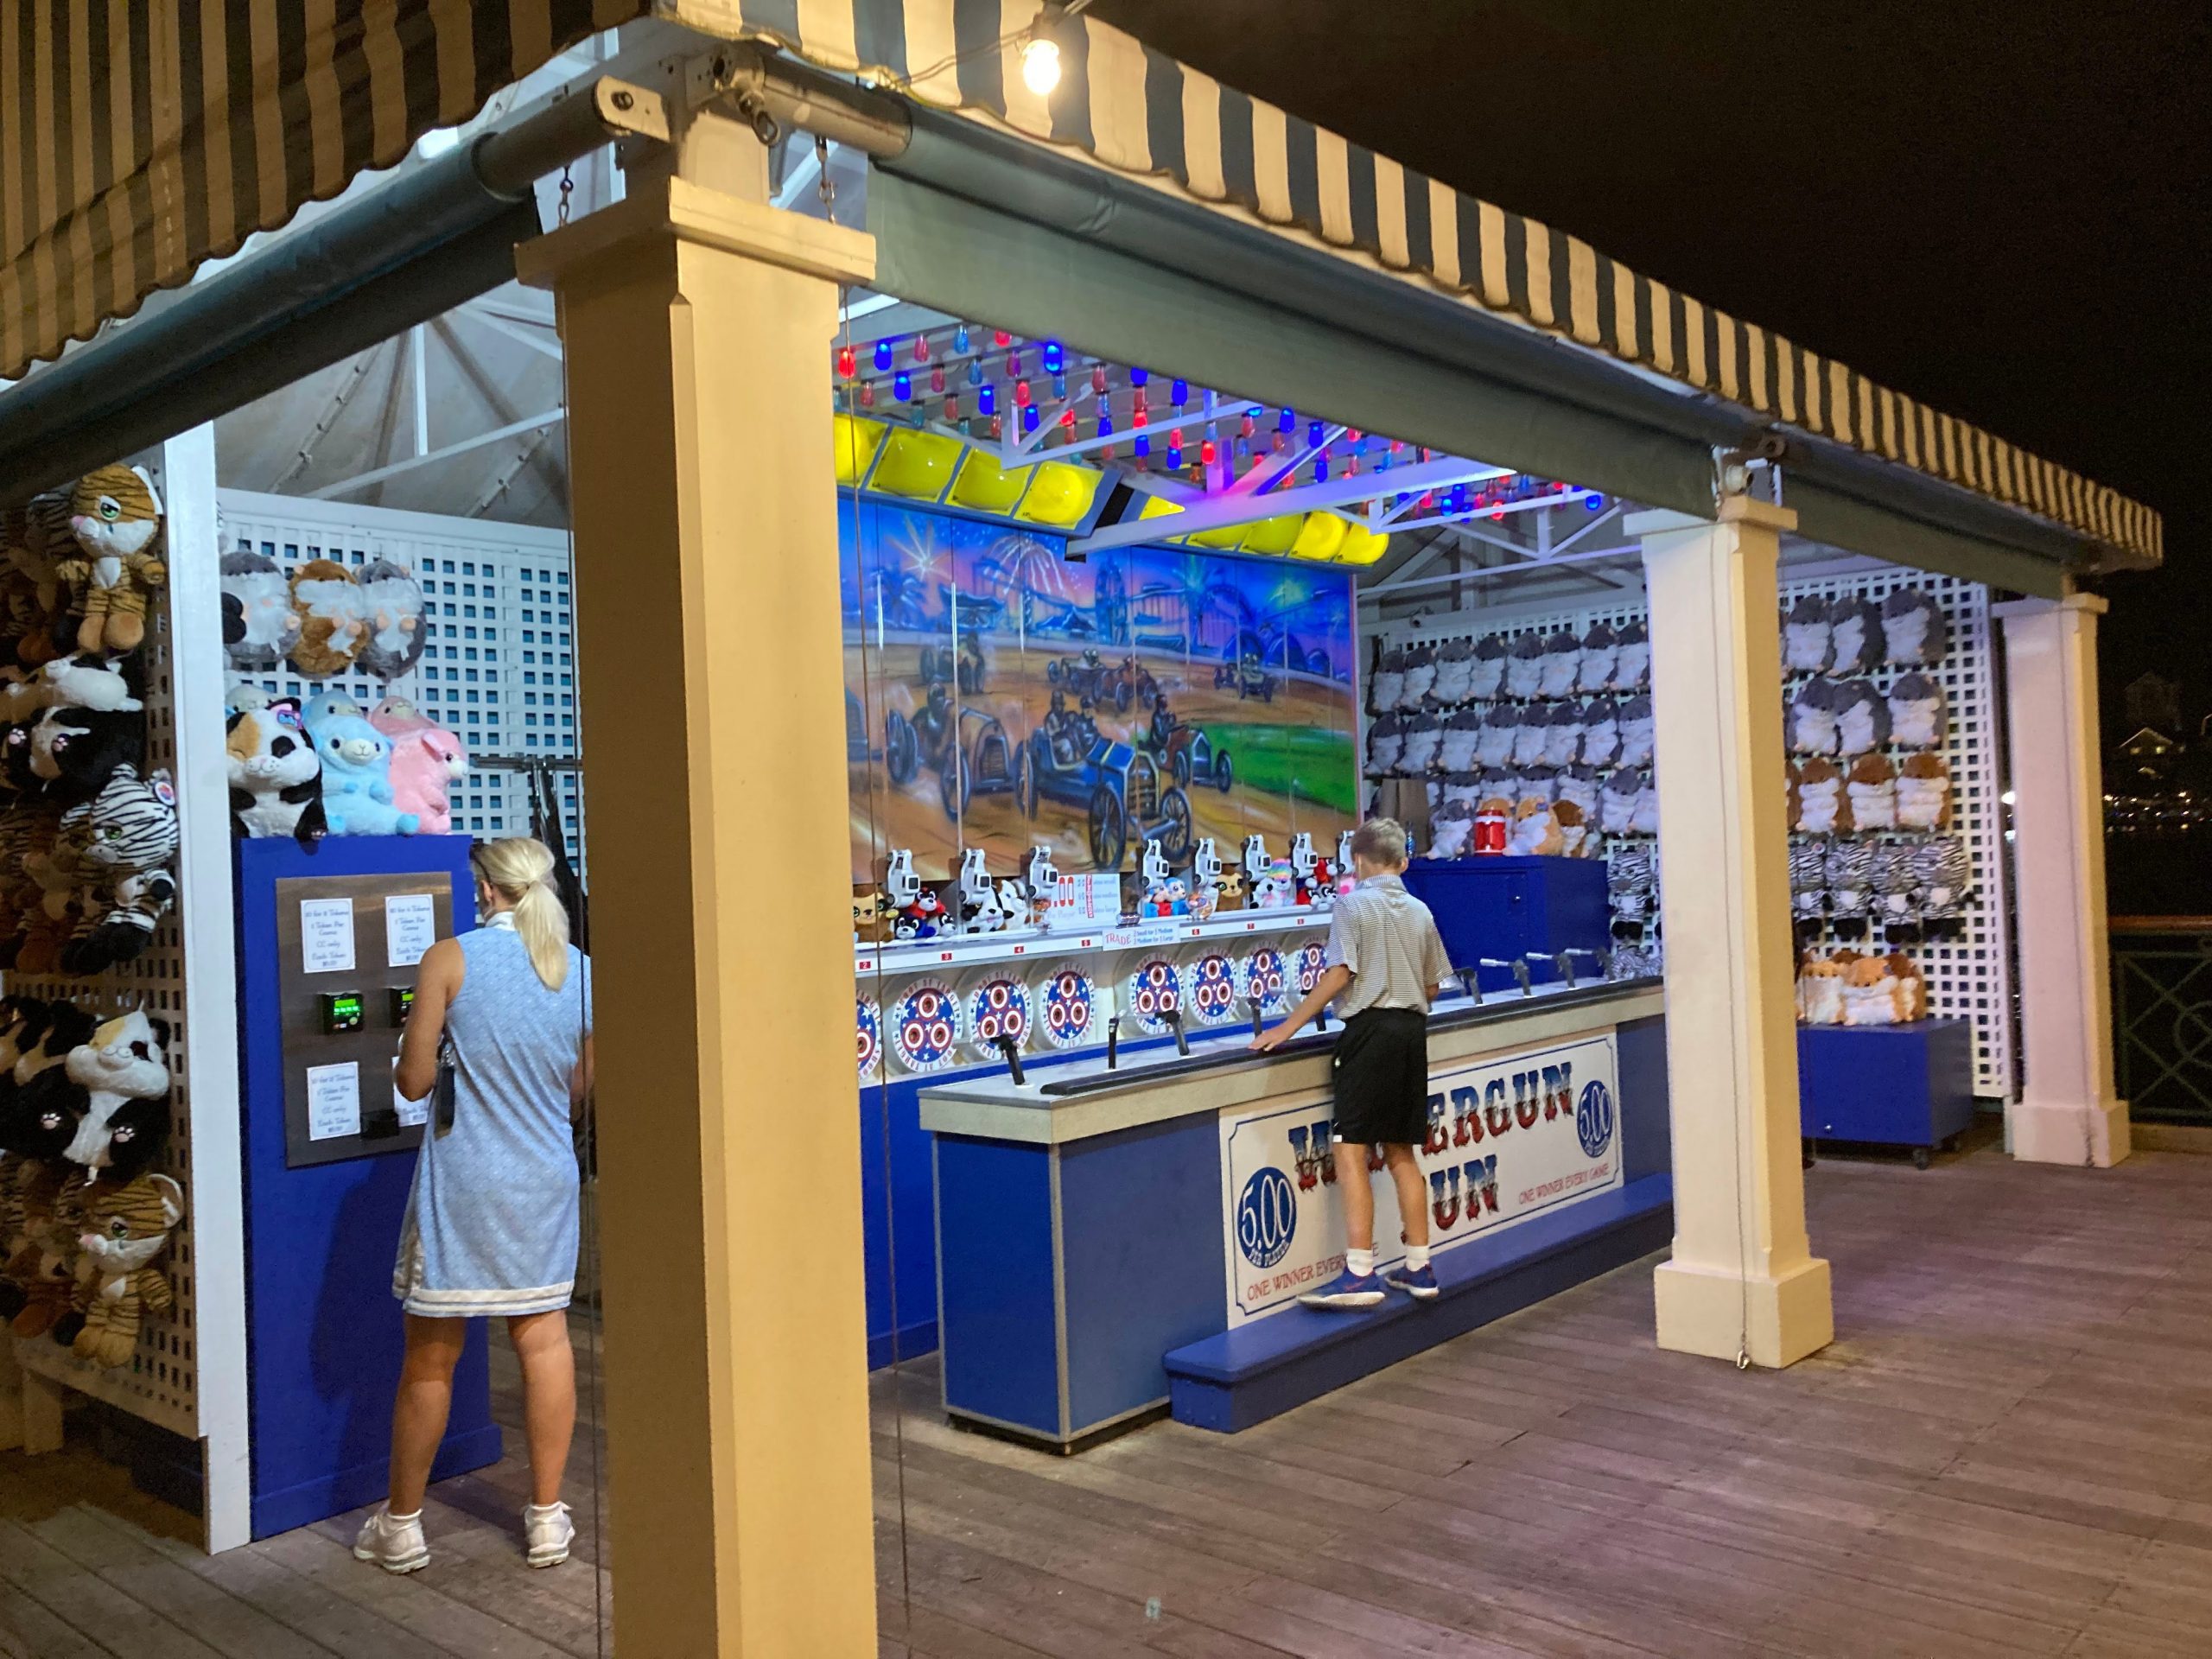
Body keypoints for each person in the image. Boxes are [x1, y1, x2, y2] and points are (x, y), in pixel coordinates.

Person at [355, 838, 594, 1575]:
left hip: (464, 1179)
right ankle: (549, 1521)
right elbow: (583, 1090)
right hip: (545, 1178)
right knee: (545, 1341)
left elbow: (415, 1081)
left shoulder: (448, 960)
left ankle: (402, 1528)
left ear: (487, 890)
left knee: (433, 1353)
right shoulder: (579, 969)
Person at [1250, 817, 1452, 1308]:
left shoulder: (1350, 904)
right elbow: (1431, 986)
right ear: (1402, 862)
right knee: (1403, 1150)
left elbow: (1340, 973)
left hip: (1369, 1035)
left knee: (1351, 1147)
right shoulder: (1421, 910)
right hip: (1411, 1034)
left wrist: (1285, 1027)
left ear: (1356, 861)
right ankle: (1419, 1266)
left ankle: (1359, 1272)